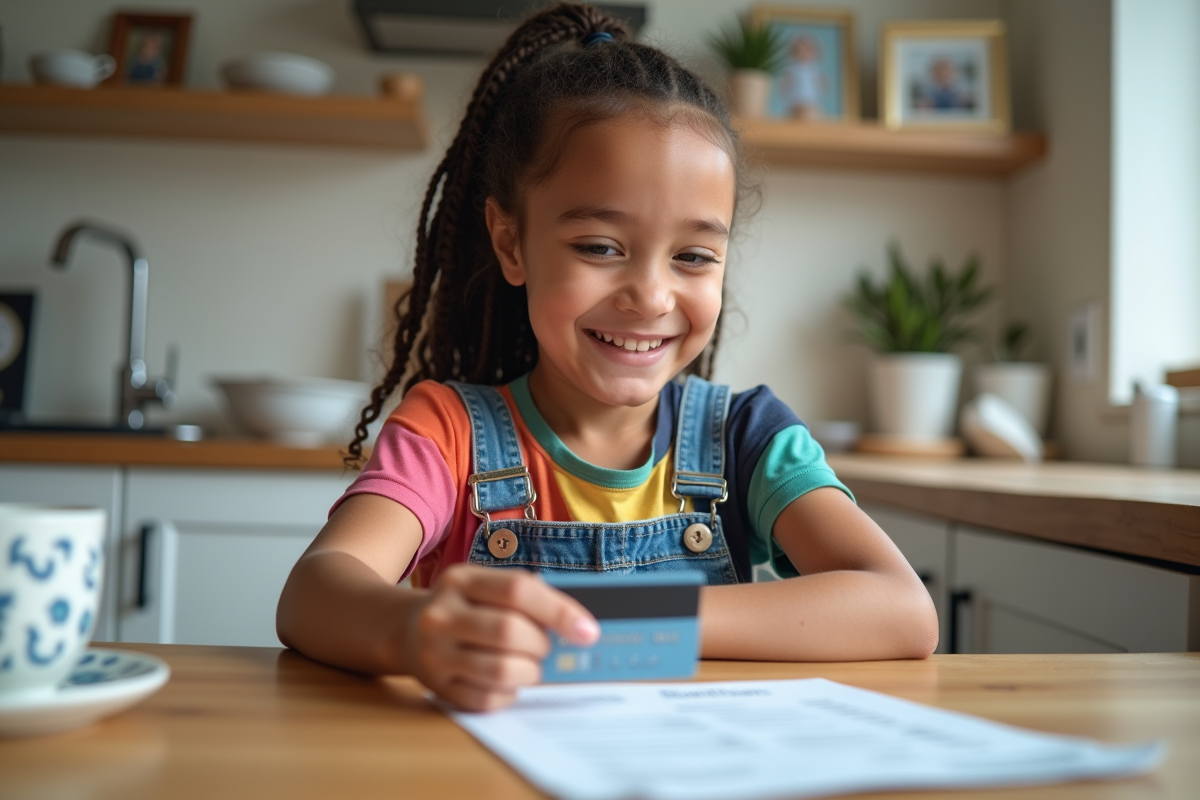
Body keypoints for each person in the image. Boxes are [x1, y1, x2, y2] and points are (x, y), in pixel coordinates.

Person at [276, 2, 937, 712]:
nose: (651, 295)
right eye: (599, 247)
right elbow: (315, 591)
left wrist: (622, 619)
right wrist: (412, 631)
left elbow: (902, 610)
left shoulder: (749, 438)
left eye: (693, 256)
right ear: (510, 242)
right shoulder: (448, 432)